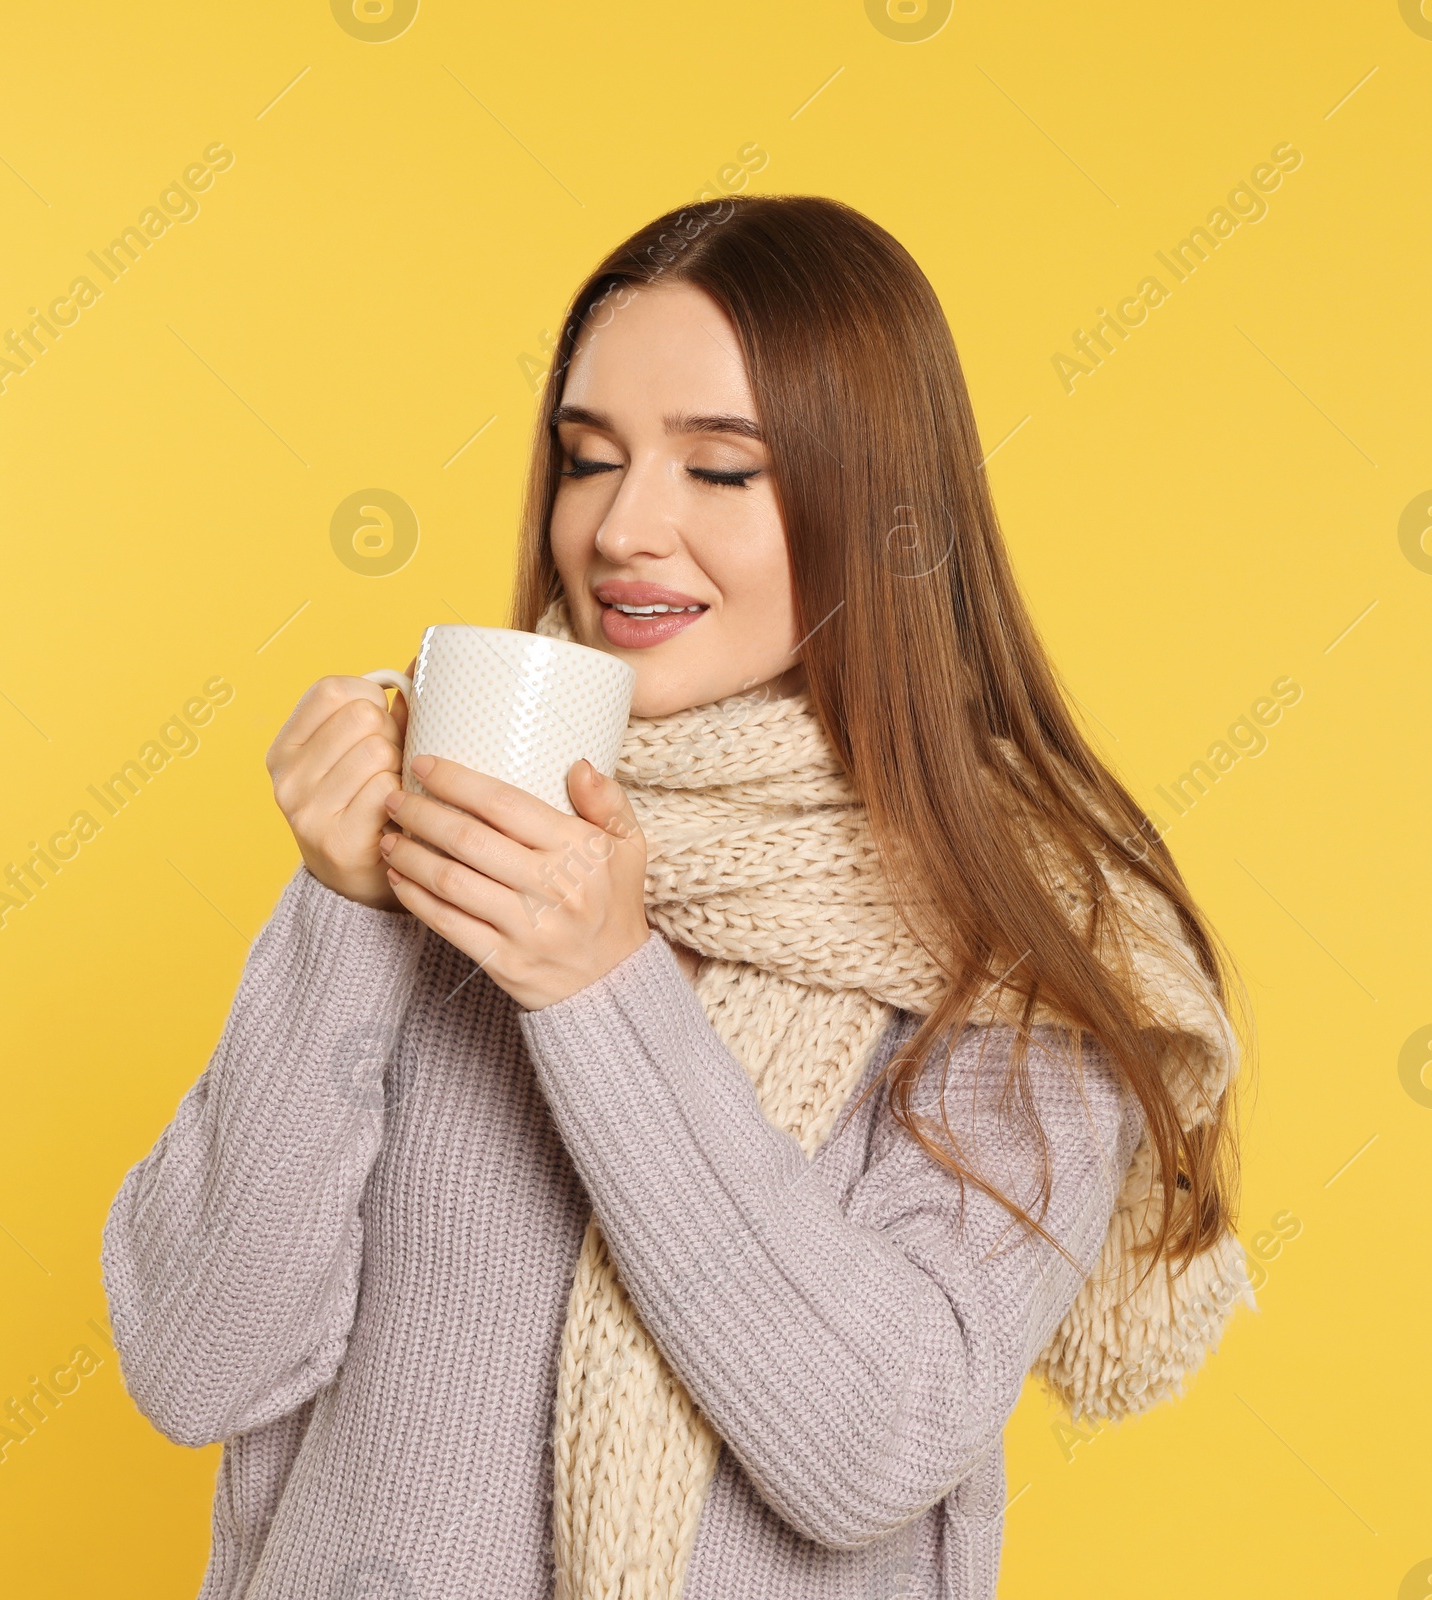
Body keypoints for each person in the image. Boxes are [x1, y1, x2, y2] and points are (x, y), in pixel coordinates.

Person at [103, 195, 1248, 1600]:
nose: (622, 528)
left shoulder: (1031, 944)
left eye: (721, 472)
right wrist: (343, 912)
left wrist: (601, 990)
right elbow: (194, 1361)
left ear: (880, 516)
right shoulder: (461, 815)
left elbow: (873, 1445)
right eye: (590, 459)